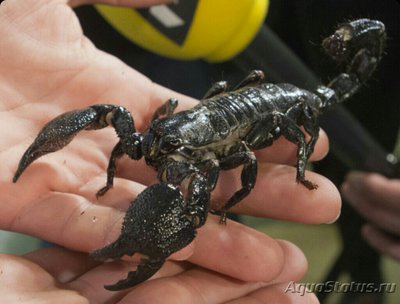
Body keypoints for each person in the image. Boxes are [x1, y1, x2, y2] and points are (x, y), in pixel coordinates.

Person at [0, 0, 342, 303]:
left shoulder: (203, 165)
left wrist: (290, 173)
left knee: (218, 188)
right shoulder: (160, 133)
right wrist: (112, 176)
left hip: (264, 108)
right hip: (201, 117)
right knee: (111, 113)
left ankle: (290, 177)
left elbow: (208, 199)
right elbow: (116, 130)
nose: (149, 150)